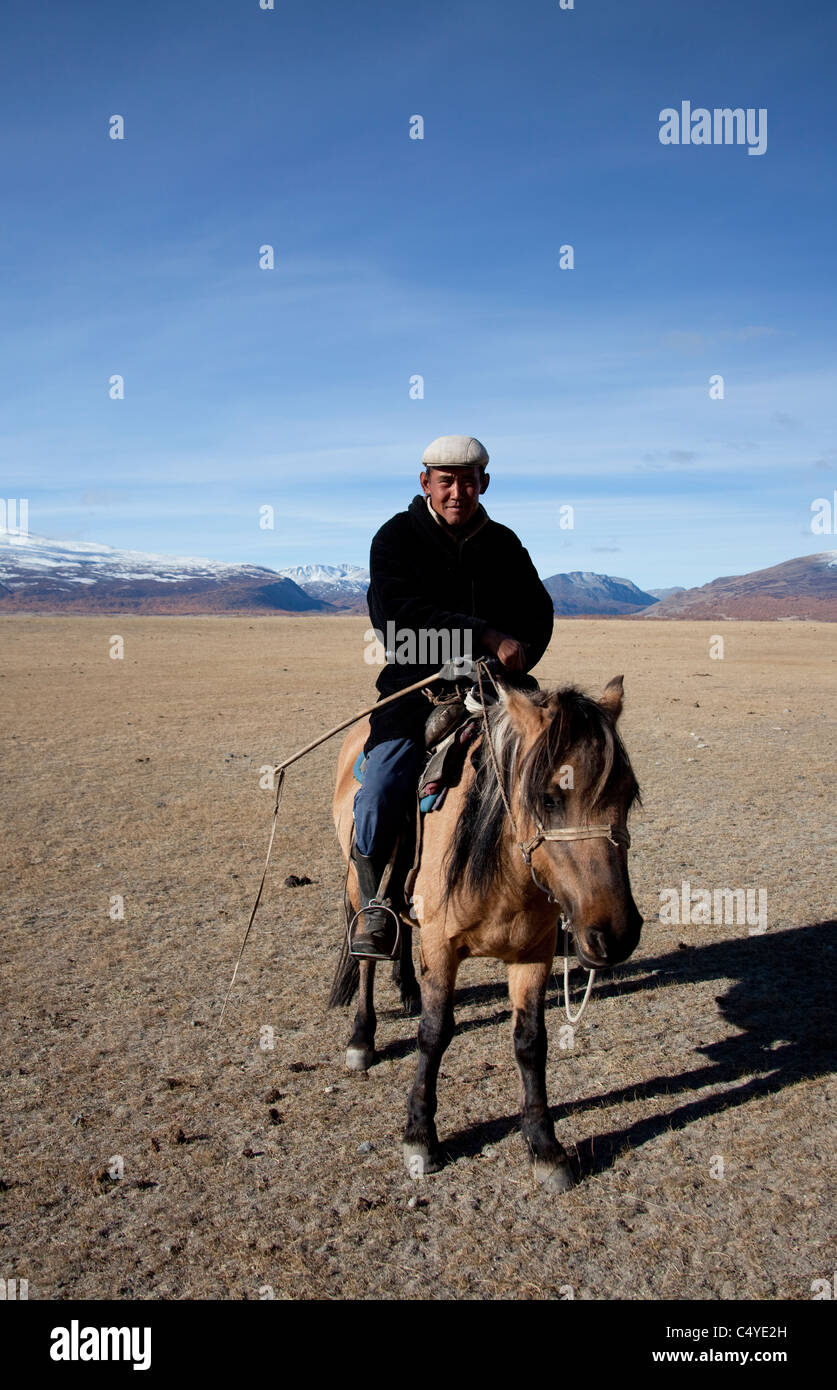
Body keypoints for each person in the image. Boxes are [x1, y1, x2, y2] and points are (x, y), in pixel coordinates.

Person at [350, 433, 555, 957]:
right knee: (381, 787)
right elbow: (398, 622)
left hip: (495, 688)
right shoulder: (396, 539)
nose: (457, 492)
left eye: (468, 481)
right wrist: (483, 634)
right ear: (426, 484)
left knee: (556, 771)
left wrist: (516, 652)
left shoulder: (504, 543)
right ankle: (376, 905)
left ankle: (560, 898)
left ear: (483, 483)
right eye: (446, 482)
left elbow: (536, 614)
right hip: (417, 689)